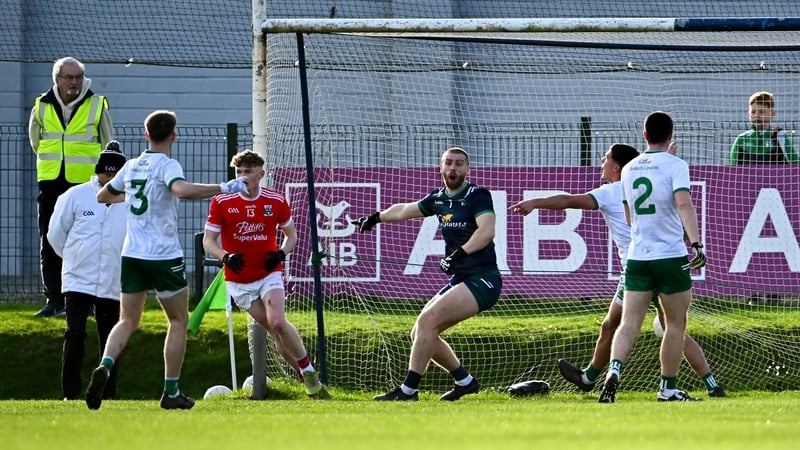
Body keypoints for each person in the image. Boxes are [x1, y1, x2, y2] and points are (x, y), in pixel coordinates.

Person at [510, 142, 725, 398]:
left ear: (616, 166)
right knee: (641, 325)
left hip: (637, 267)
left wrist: (536, 202)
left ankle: (597, 376)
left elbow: (568, 200)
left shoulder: (611, 191)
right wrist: (666, 158)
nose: (601, 162)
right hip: (661, 259)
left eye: (605, 158)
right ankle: (710, 384)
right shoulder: (647, 181)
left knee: (642, 326)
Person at [85, 110, 249, 410]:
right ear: (174, 135)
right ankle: (170, 391)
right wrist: (224, 187)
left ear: (146, 134)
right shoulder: (167, 164)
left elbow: (103, 196)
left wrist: (135, 195)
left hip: (132, 254)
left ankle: (106, 366)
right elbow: (181, 190)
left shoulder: (132, 165)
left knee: (127, 321)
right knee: (178, 320)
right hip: (163, 256)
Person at [352, 146, 502, 401]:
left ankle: (408, 391)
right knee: (420, 332)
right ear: (441, 168)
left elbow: (486, 231)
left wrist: (458, 255)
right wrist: (375, 217)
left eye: (459, 164)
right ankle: (464, 381)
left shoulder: (478, 195)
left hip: (484, 279)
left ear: (467, 169)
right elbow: (403, 211)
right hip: (462, 278)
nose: (453, 168)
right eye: (449, 163)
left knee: (426, 323)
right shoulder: (438, 198)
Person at [203, 150, 331, 400]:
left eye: (248, 172)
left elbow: (291, 235)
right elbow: (208, 241)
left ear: (261, 174)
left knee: (278, 322)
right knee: (276, 333)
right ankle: (308, 381)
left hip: (269, 273)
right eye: (238, 172)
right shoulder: (222, 201)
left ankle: (308, 372)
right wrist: (225, 257)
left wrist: (281, 254)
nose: (242, 177)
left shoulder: (275, 200)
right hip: (238, 280)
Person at [597, 111, 706, 403]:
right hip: (669, 255)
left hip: (637, 256)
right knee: (674, 324)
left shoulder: (630, 168)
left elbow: (630, 218)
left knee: (629, 322)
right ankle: (667, 389)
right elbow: (684, 202)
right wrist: (696, 243)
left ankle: (614, 370)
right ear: (671, 135)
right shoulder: (676, 165)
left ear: (644, 135)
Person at [29, 56, 115, 318]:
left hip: (85, 186)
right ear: (57, 80)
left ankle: (86, 302)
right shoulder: (41, 106)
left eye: (78, 77)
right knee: (49, 238)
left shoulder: (97, 105)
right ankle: (54, 299)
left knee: (87, 242)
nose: (74, 82)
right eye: (69, 77)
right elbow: (36, 142)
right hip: (51, 182)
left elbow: (109, 144)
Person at [47, 141, 127, 400]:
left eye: (115, 174)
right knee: (75, 333)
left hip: (112, 280)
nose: (110, 178)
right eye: (106, 173)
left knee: (109, 339)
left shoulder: (129, 201)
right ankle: (70, 393)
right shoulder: (75, 196)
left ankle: (108, 394)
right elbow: (56, 235)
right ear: (98, 171)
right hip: (78, 279)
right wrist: (74, 259)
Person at [730, 91, 798, 164]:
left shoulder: (780, 137)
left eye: (761, 112)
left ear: (772, 114)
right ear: (748, 114)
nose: (757, 115)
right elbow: (733, 168)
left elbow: (795, 164)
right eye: (753, 112)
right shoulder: (742, 139)